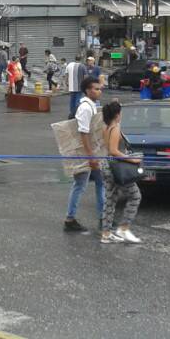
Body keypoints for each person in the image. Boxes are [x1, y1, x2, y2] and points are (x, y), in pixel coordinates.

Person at [65, 76, 105, 233]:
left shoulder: (92, 105)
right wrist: (91, 157)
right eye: (96, 89)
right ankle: (70, 219)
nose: (99, 91)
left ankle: (103, 216)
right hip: (84, 154)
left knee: (101, 182)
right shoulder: (86, 108)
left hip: (92, 152)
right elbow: (84, 133)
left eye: (99, 88)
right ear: (88, 91)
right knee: (79, 185)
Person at [100, 101, 142, 245]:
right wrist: (132, 159)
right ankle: (123, 228)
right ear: (117, 115)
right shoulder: (115, 128)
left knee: (110, 200)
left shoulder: (106, 127)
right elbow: (113, 150)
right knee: (135, 196)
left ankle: (106, 234)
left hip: (107, 165)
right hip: (116, 168)